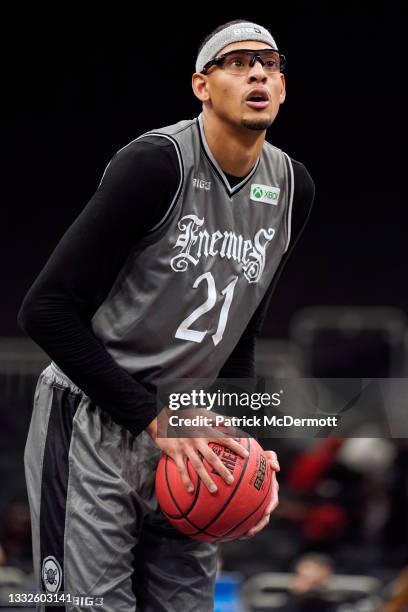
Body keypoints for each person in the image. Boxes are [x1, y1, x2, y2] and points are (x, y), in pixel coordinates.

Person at [18, 19, 314, 612]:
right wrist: (149, 416)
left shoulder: (292, 188)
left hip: (188, 428)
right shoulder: (155, 165)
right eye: (238, 62)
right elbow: (46, 311)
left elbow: (241, 331)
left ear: (282, 87)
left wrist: (238, 442)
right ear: (202, 86)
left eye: (271, 63)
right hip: (92, 419)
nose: (258, 71)